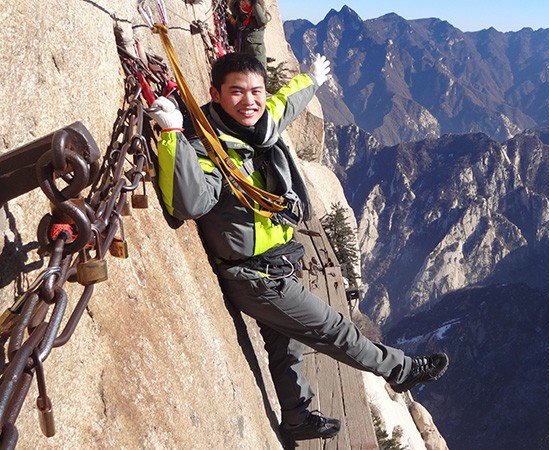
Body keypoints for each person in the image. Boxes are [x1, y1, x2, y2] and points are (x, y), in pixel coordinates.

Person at [147, 53, 449, 442]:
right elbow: (190, 203)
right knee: (335, 328)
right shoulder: (207, 147)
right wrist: (172, 134)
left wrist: (311, 80)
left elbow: (284, 103)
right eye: (236, 92)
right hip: (253, 277)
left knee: (285, 347)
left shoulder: (257, 127)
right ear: (215, 94)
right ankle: (399, 369)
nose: (249, 100)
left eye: (255, 90)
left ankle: (296, 417)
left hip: (273, 264)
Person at [228, 0, 270, 69]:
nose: (242, 3)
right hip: (242, 50)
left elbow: (262, 22)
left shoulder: (258, 13)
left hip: (255, 51)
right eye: (241, 1)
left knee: (258, 72)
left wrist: (255, 5)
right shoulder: (240, 15)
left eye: (245, 0)